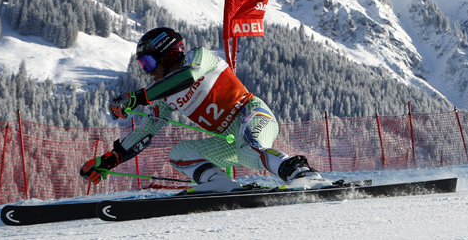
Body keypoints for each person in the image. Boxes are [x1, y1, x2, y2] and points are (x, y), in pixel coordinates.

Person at [80, 27, 329, 193]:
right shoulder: (164, 94)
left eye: (149, 62)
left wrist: (140, 97)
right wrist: (112, 159)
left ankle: (300, 172)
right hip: (228, 139)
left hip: (250, 114)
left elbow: (188, 77)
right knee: (179, 153)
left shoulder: (198, 57)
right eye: (143, 65)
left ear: (167, 55)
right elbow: (146, 131)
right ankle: (219, 184)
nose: (147, 71)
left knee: (248, 151)